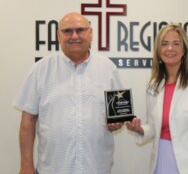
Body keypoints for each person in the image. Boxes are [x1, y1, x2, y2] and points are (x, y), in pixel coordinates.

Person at [13, 12, 124, 174]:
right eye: (67, 31)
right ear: (58, 35)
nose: (74, 36)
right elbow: (28, 120)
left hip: (96, 168)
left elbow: (118, 116)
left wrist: (117, 123)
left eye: (80, 30)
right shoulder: (41, 69)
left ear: (91, 33)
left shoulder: (108, 68)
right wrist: (26, 165)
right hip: (53, 169)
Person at [126, 24, 188, 174]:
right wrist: (140, 129)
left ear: (184, 50)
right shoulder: (153, 85)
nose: (170, 48)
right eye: (165, 44)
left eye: (176, 43)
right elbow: (154, 127)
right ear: (158, 50)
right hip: (160, 159)